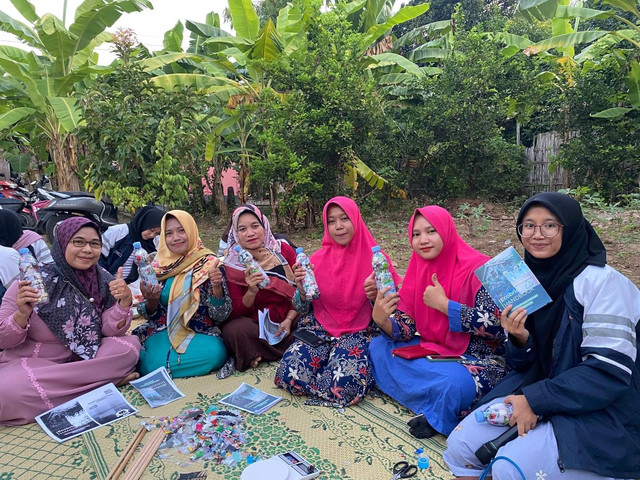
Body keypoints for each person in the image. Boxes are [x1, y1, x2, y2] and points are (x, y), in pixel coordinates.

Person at [444, 192, 640, 480]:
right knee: (460, 446)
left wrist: (536, 401)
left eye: (550, 225)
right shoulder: (527, 281)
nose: (538, 235)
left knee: (510, 469)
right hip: (542, 388)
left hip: (602, 407)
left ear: (570, 228)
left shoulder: (605, 284)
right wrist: (519, 339)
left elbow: (608, 372)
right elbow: (523, 365)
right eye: (528, 225)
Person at [367, 205, 508, 438]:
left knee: (454, 384)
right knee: (378, 347)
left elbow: (500, 326)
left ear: (446, 231)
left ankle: (438, 412)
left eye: (431, 231)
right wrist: (382, 320)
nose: (423, 240)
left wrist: (445, 306)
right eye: (416, 234)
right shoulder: (417, 267)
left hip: (478, 358)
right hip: (436, 351)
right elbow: (406, 326)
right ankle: (433, 402)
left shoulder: (481, 267)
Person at [0, 217, 141, 425]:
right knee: (6, 390)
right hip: (37, 363)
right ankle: (104, 384)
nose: (87, 249)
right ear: (63, 243)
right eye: (78, 242)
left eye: (94, 244)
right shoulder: (31, 280)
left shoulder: (103, 280)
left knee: (128, 348)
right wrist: (21, 314)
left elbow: (110, 331)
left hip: (85, 357)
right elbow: (3, 341)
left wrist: (124, 303)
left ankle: (88, 386)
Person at [275, 196, 402, 407]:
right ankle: (325, 373)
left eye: (344, 219)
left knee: (344, 385)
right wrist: (301, 290)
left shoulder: (377, 260)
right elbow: (301, 307)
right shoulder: (315, 261)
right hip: (319, 331)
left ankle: (330, 372)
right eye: (332, 221)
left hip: (359, 333)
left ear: (356, 220)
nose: (338, 226)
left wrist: (375, 297)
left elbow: (393, 308)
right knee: (289, 374)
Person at [134, 210, 228, 378]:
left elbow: (220, 316)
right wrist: (151, 302)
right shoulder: (155, 268)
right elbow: (146, 313)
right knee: (140, 355)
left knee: (217, 353)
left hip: (199, 333)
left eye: (181, 230)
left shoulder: (210, 264)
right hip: (161, 331)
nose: (175, 237)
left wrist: (217, 288)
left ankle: (160, 368)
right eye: (169, 233)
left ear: (191, 231)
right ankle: (159, 365)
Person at [219, 204, 298, 375]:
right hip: (256, 324)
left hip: (289, 317)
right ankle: (284, 349)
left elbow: (300, 290)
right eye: (242, 229)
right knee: (234, 331)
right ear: (236, 234)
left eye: (255, 226)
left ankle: (258, 353)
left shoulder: (282, 250)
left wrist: (289, 320)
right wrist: (251, 291)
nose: (250, 233)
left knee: (311, 321)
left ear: (264, 226)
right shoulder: (232, 262)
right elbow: (235, 312)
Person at [100, 205, 164, 284]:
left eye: (157, 233)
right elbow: (100, 258)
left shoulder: (154, 242)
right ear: (144, 222)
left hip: (135, 287)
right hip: (110, 281)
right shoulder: (118, 232)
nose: (151, 235)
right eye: (151, 230)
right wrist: (106, 281)